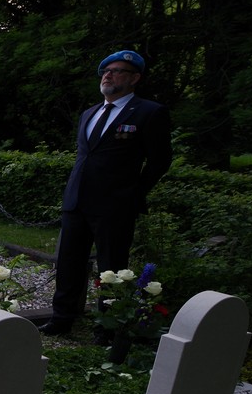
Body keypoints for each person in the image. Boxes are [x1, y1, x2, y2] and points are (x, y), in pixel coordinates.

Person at [41, 51, 173, 336]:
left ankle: (107, 328)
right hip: (77, 201)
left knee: (111, 269)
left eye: (117, 71)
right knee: (68, 264)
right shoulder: (90, 113)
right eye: (106, 71)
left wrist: (133, 192)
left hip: (115, 205)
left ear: (134, 78)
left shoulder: (149, 112)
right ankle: (61, 319)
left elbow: (160, 161)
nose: (108, 75)